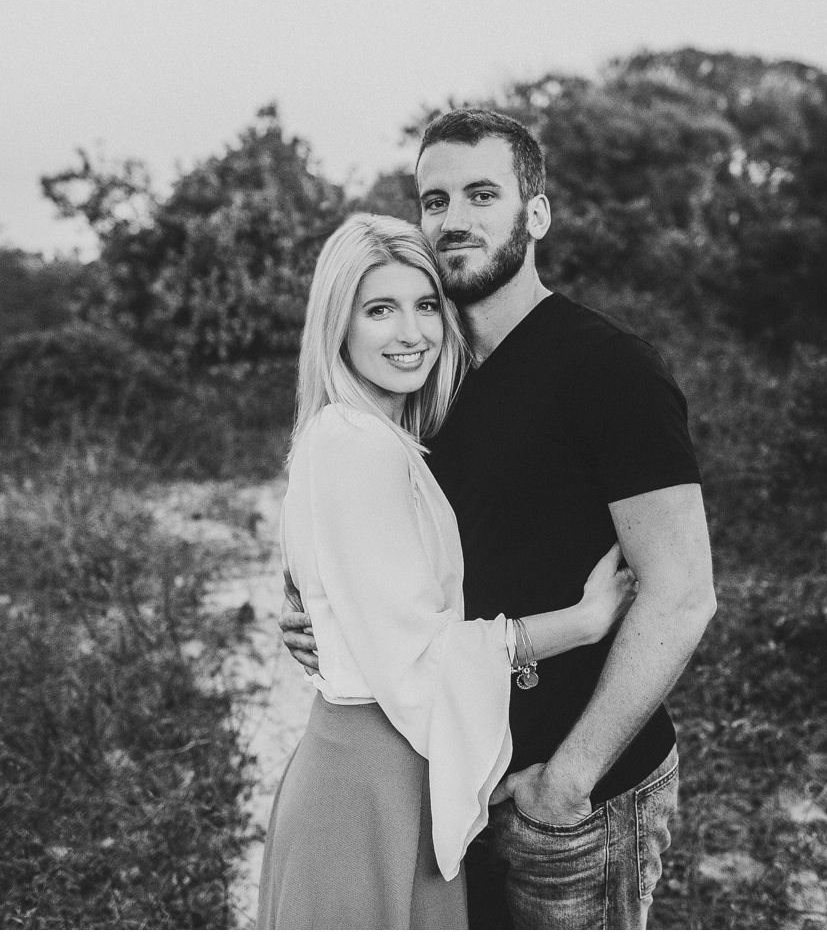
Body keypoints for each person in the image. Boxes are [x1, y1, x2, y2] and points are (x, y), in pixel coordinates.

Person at [281, 110, 718, 928]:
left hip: (574, 797)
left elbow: (684, 593)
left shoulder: (605, 367)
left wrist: (570, 780)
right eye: (435, 198)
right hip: (451, 782)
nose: (455, 217)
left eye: (483, 193)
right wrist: (322, 620)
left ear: (536, 214)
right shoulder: (423, 382)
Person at [257, 213, 640, 929]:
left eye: (426, 305)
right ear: (337, 325)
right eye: (380, 310)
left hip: (381, 768)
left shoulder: (365, 434)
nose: (412, 333)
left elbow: (363, 611)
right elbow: (422, 656)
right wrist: (580, 623)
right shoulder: (357, 446)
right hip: (368, 784)